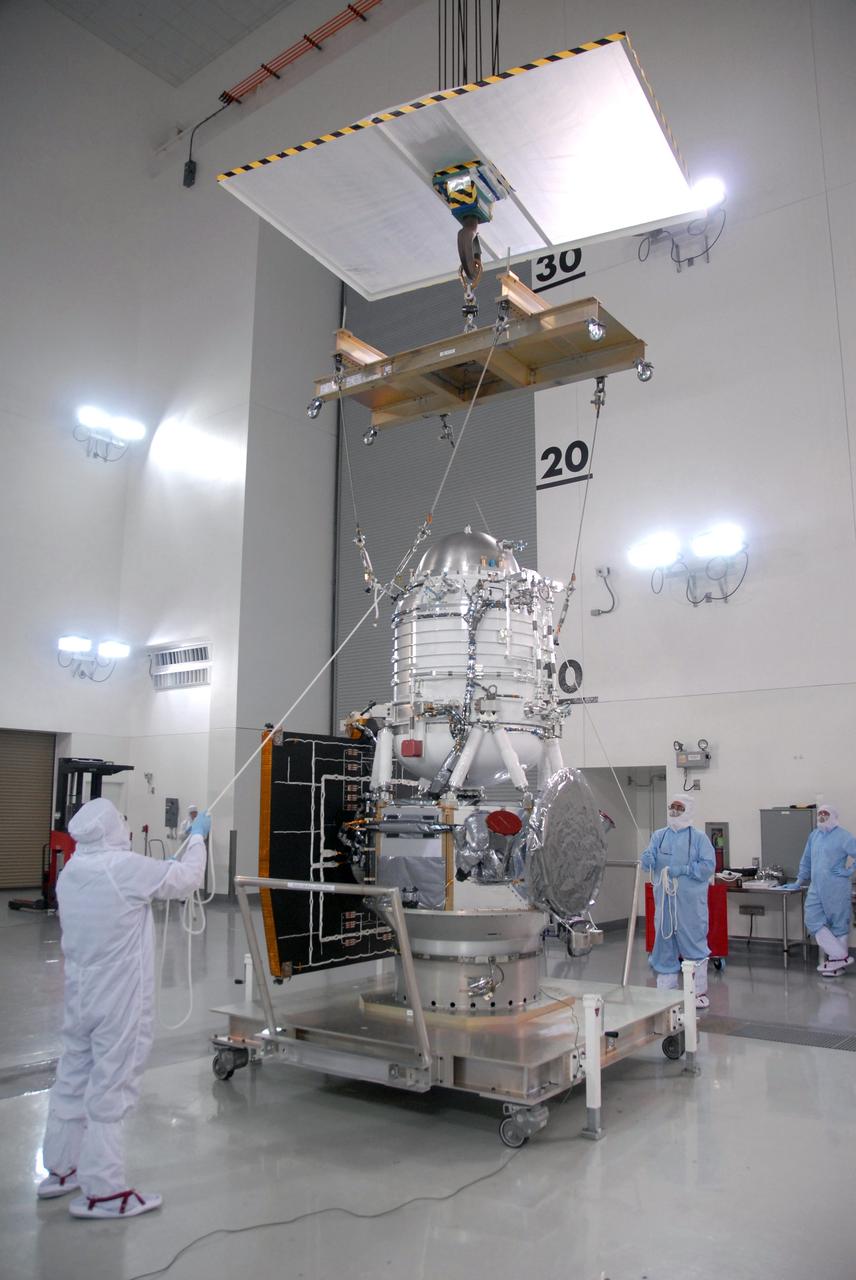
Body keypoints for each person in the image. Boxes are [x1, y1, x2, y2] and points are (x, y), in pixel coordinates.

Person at [38, 797, 207, 1219]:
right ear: (112, 828)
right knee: (111, 1085)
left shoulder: (73, 872)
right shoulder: (124, 868)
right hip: (118, 999)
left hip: (80, 994)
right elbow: (186, 880)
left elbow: (154, 879)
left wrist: (181, 845)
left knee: (74, 1076)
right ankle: (104, 1190)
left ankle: (62, 1169)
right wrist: (200, 838)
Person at [641, 795, 716, 1009]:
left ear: (688, 810)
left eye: (679, 807)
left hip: (690, 904)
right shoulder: (659, 836)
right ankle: (666, 991)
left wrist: (683, 870)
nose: (674, 811)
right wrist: (648, 859)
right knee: (664, 944)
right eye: (672, 807)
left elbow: (708, 866)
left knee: (693, 944)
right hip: (664, 903)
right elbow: (649, 860)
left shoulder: (699, 838)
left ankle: (698, 992)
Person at [781, 804, 856, 977]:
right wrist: (799, 881)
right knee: (812, 918)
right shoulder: (814, 836)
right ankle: (840, 956)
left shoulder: (843, 836)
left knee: (839, 923)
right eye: (820, 813)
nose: (822, 816)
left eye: (825, 813)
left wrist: (849, 870)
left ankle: (837, 964)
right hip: (816, 886)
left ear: (833, 816)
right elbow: (806, 860)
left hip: (836, 886)